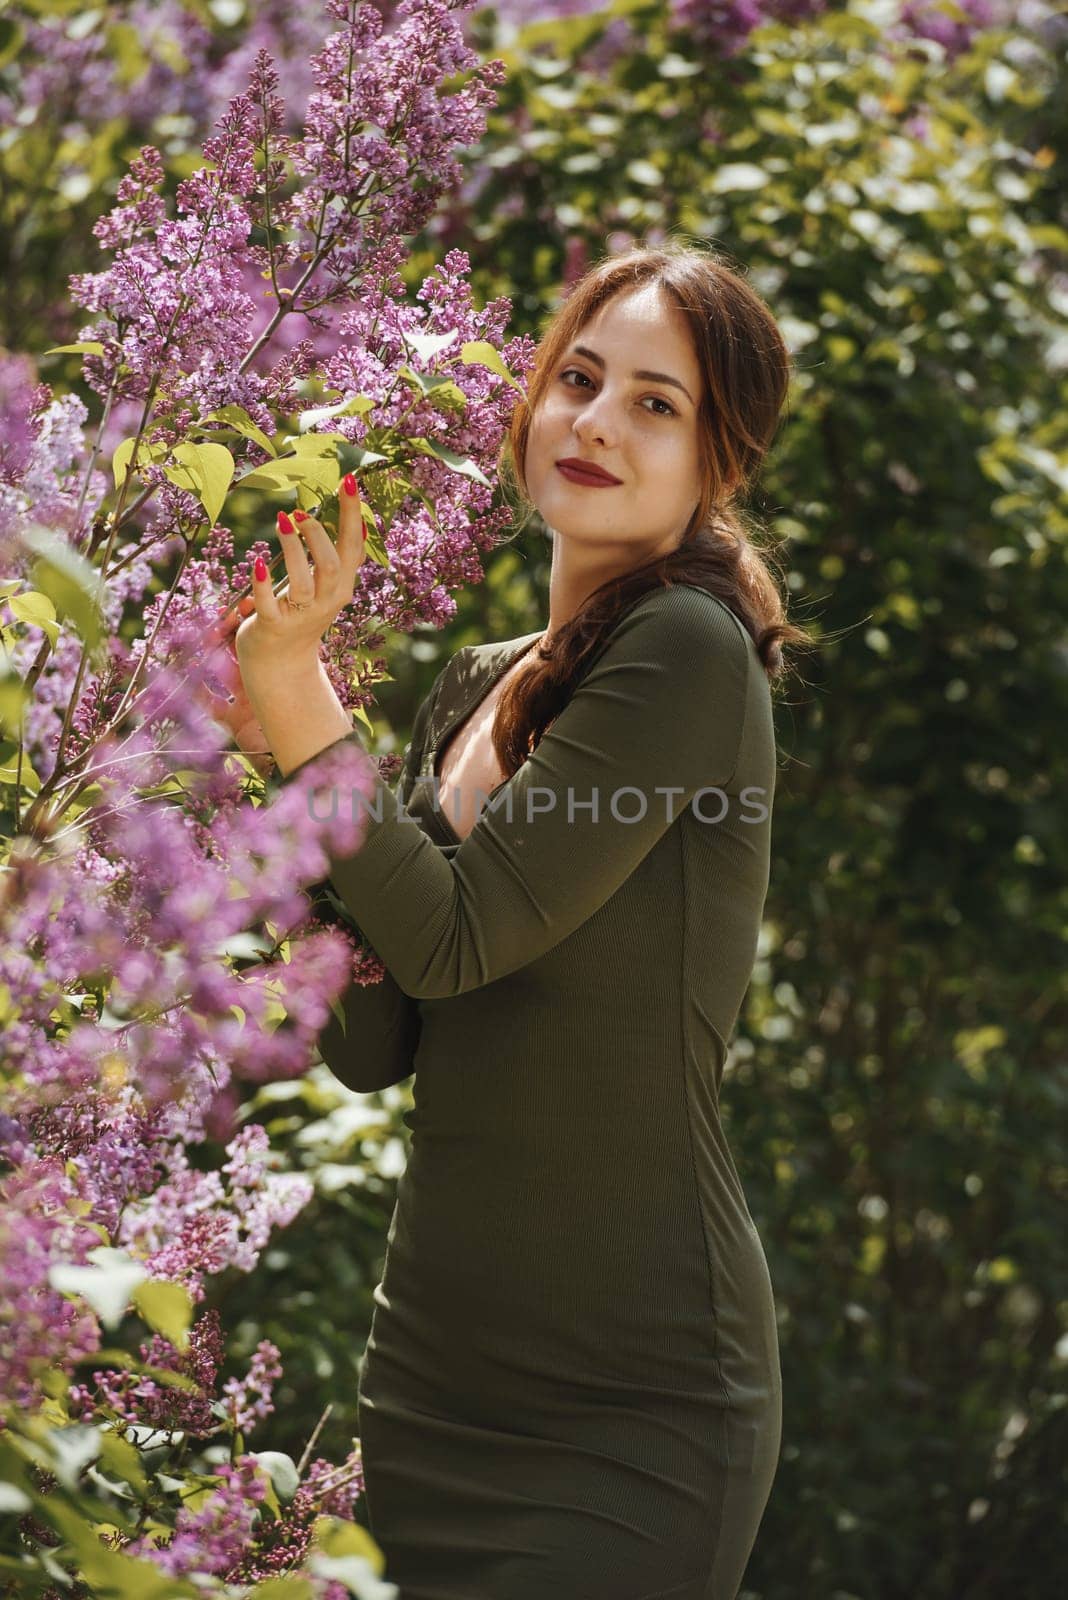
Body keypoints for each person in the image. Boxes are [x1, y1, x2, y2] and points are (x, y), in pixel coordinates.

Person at [223, 242, 812, 1600]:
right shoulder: (477, 691)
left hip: (636, 1414)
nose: (597, 422)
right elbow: (374, 1040)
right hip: (429, 1390)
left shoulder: (688, 653)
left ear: (721, 465)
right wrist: (279, 762)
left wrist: (305, 702)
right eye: (580, 380)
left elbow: (453, 935)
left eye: (656, 404)